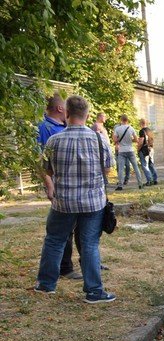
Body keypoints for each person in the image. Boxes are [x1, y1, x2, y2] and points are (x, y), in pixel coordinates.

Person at [35, 95, 115, 303]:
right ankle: (94, 291)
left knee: (54, 241)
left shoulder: (53, 141)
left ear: (67, 113)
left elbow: (47, 171)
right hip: (92, 203)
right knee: (89, 244)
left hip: (63, 202)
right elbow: (107, 169)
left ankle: (46, 285)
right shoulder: (99, 139)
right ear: (87, 115)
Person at [37, 94, 83, 280]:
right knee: (62, 230)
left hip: (76, 186)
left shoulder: (63, 127)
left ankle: (88, 262)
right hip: (60, 187)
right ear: (60, 109)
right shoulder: (45, 128)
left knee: (81, 226)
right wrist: (49, 186)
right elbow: (40, 162)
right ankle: (65, 267)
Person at [113, 114, 144, 190]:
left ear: (121, 120)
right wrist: (130, 140)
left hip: (121, 151)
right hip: (130, 150)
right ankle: (140, 184)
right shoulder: (131, 128)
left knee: (121, 168)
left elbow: (114, 140)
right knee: (136, 167)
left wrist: (119, 140)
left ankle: (120, 185)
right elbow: (136, 140)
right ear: (127, 120)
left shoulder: (117, 129)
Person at [90, 112, 112, 186]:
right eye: (104, 116)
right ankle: (101, 182)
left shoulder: (101, 126)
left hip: (106, 149)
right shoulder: (96, 126)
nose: (105, 118)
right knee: (103, 167)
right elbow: (95, 138)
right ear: (99, 117)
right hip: (101, 150)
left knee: (107, 167)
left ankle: (104, 181)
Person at [137, 118, 158, 185]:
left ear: (141, 123)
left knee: (145, 165)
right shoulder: (150, 131)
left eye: (140, 123)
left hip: (144, 150)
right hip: (151, 149)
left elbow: (141, 142)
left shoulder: (142, 131)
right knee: (151, 165)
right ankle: (155, 179)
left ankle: (149, 180)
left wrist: (138, 149)